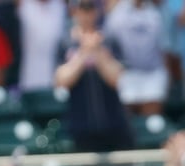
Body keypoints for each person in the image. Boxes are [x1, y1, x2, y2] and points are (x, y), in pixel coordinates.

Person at [53, 0, 132, 152]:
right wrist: (83, 53)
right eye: (83, 8)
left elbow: (116, 79)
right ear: (75, 10)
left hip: (114, 123)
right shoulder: (66, 41)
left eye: (91, 8)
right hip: (81, 125)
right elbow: (61, 80)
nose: (87, 13)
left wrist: (97, 51)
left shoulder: (109, 39)